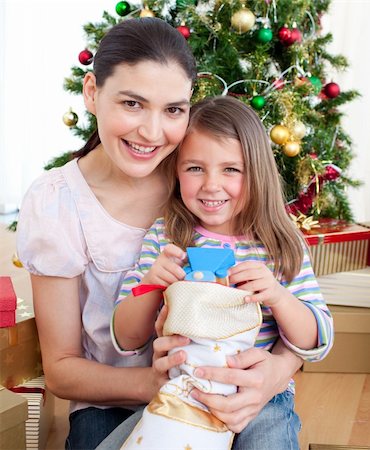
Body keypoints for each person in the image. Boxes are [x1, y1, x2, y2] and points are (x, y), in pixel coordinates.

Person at [15, 16, 311, 450]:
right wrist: (161, 383)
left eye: (173, 109)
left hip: (229, 383)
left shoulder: (201, 178)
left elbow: (292, 301)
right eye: (132, 103)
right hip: (111, 398)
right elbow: (61, 369)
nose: (152, 133)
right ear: (92, 92)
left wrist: (273, 375)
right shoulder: (57, 202)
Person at [110, 96, 334, 449]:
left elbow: (317, 340)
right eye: (195, 168)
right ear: (176, 170)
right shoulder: (166, 236)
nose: (211, 184)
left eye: (231, 169)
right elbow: (126, 337)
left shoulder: (280, 243)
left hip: (261, 399)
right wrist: (151, 283)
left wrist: (278, 296)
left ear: (256, 172)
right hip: (182, 391)